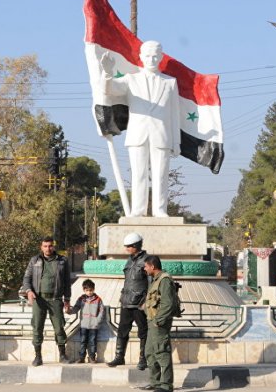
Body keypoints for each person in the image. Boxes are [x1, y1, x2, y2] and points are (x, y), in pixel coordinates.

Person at [99, 40, 181, 217]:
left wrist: (176, 141)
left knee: (161, 175)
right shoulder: (131, 79)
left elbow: (175, 114)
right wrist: (107, 72)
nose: (151, 59)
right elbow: (109, 89)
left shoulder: (170, 83)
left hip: (162, 135)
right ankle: (138, 209)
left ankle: (160, 209)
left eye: (155, 56)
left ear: (160, 57)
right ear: (141, 57)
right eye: (147, 56)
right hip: (138, 134)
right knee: (139, 174)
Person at [22, 236, 72, 366]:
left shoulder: (62, 261)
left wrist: (67, 299)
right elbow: (26, 279)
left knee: (59, 327)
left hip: (55, 299)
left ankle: (62, 354)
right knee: (37, 327)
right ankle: (38, 357)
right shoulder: (34, 260)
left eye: (50, 246)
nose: (48, 248)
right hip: (39, 300)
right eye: (45, 246)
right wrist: (29, 291)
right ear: (41, 247)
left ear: (53, 246)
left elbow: (67, 282)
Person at [107, 232, 150, 370]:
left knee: (143, 331)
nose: (127, 249)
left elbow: (151, 281)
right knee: (122, 330)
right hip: (126, 301)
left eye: (129, 246)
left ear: (136, 245)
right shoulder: (129, 260)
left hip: (140, 303)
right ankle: (119, 357)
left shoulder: (147, 260)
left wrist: (146, 300)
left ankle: (143, 358)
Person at [142, 255, 178, 392]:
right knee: (150, 353)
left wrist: (159, 321)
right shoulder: (155, 280)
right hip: (152, 322)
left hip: (159, 323)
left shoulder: (164, 280)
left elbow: (168, 304)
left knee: (162, 352)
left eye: (146, 266)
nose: (144, 269)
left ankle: (166, 385)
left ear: (152, 266)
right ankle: (155, 383)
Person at [67, 279, 105, 363]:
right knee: (83, 341)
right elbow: (76, 308)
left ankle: (92, 357)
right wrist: (69, 311)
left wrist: (97, 321)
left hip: (93, 326)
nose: (89, 292)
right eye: (87, 290)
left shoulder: (98, 299)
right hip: (83, 325)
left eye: (91, 290)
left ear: (93, 289)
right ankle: (81, 357)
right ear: (84, 290)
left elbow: (102, 312)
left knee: (92, 341)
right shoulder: (81, 299)